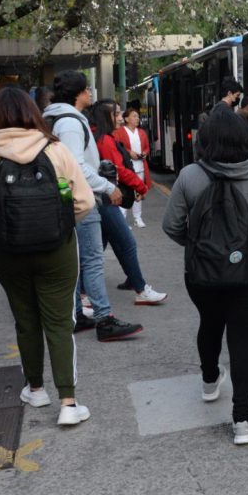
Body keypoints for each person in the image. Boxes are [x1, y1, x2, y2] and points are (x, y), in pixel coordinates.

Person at [162, 108, 248, 445]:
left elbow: (171, 226)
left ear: (206, 142)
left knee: (209, 323)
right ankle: (242, 422)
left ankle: (209, 383)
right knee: (242, 341)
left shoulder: (190, 176)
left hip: (201, 271)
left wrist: (197, 246)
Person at [0, 87, 96, 425]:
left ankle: (35, 389)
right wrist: (58, 226)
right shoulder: (55, 149)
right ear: (32, 112)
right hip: (57, 250)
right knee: (60, 323)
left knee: (26, 320)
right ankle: (69, 404)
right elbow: (85, 201)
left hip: (9, 252)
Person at [43, 71, 143, 342]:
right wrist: (108, 186)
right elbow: (75, 166)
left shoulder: (50, 118)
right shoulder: (72, 123)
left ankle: (77, 313)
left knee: (76, 261)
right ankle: (104, 319)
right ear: (78, 94)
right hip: (79, 200)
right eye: (87, 89)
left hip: (60, 200)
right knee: (92, 260)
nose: (90, 94)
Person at [91, 101, 167, 305]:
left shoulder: (98, 137)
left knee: (107, 246)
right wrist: (140, 186)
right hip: (106, 199)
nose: (120, 117)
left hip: (102, 199)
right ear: (105, 117)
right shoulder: (105, 140)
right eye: (116, 114)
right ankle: (139, 289)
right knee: (126, 244)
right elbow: (119, 170)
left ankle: (133, 283)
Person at [114, 107, 152, 228]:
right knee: (125, 192)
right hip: (127, 167)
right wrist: (129, 152)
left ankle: (137, 217)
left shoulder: (141, 132)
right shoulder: (120, 132)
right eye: (134, 116)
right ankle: (122, 219)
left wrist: (145, 153)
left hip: (140, 166)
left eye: (137, 116)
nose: (137, 118)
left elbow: (147, 147)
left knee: (139, 192)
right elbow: (118, 147)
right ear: (126, 118)